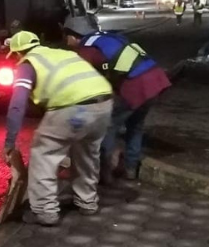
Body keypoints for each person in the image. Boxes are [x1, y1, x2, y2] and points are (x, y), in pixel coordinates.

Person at [2, 30, 114, 226]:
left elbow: (17, 104)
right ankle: (87, 203)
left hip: (73, 109)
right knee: (87, 155)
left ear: (18, 53)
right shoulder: (63, 54)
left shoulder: (28, 64)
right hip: (104, 104)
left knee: (44, 154)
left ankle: (45, 212)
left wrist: (10, 142)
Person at [64, 22, 171, 184]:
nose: (66, 42)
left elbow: (85, 80)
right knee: (135, 126)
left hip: (135, 85)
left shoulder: (87, 49)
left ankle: (104, 173)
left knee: (109, 126)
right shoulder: (108, 37)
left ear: (73, 36)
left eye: (66, 37)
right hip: (155, 80)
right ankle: (130, 169)